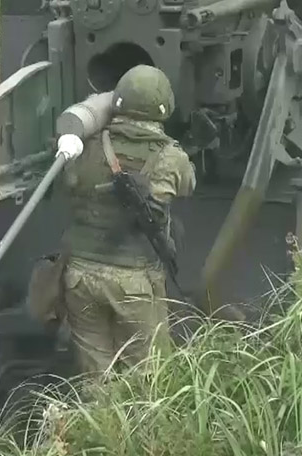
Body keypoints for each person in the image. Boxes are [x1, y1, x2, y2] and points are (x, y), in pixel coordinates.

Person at [57, 64, 197, 375]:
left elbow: (68, 183)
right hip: (133, 280)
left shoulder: (86, 144)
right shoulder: (170, 156)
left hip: (80, 275)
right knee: (148, 376)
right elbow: (188, 185)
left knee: (96, 375)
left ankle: (99, 408)